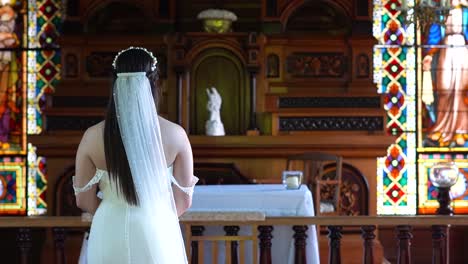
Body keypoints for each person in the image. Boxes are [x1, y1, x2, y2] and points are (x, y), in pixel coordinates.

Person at [73, 46, 198, 263]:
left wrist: (113, 211)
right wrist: (155, 215)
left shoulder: (92, 136)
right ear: (155, 84)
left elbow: (84, 199)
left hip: (108, 227)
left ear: (114, 85)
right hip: (158, 226)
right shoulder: (176, 135)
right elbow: (184, 200)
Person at [422, 0, 468, 147]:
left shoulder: (466, 11)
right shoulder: (440, 12)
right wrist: (429, 54)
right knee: (444, 89)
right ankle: (441, 128)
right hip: (446, 51)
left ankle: (461, 130)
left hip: (463, 51)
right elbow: (434, 35)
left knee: (461, 91)